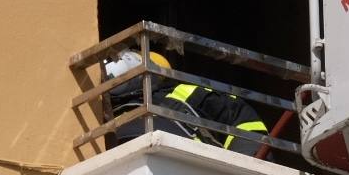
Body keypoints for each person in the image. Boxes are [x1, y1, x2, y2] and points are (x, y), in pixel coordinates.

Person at [103, 49, 269, 156]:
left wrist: (243, 162)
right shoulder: (102, 118)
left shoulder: (180, 94)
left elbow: (241, 118)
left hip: (200, 172)